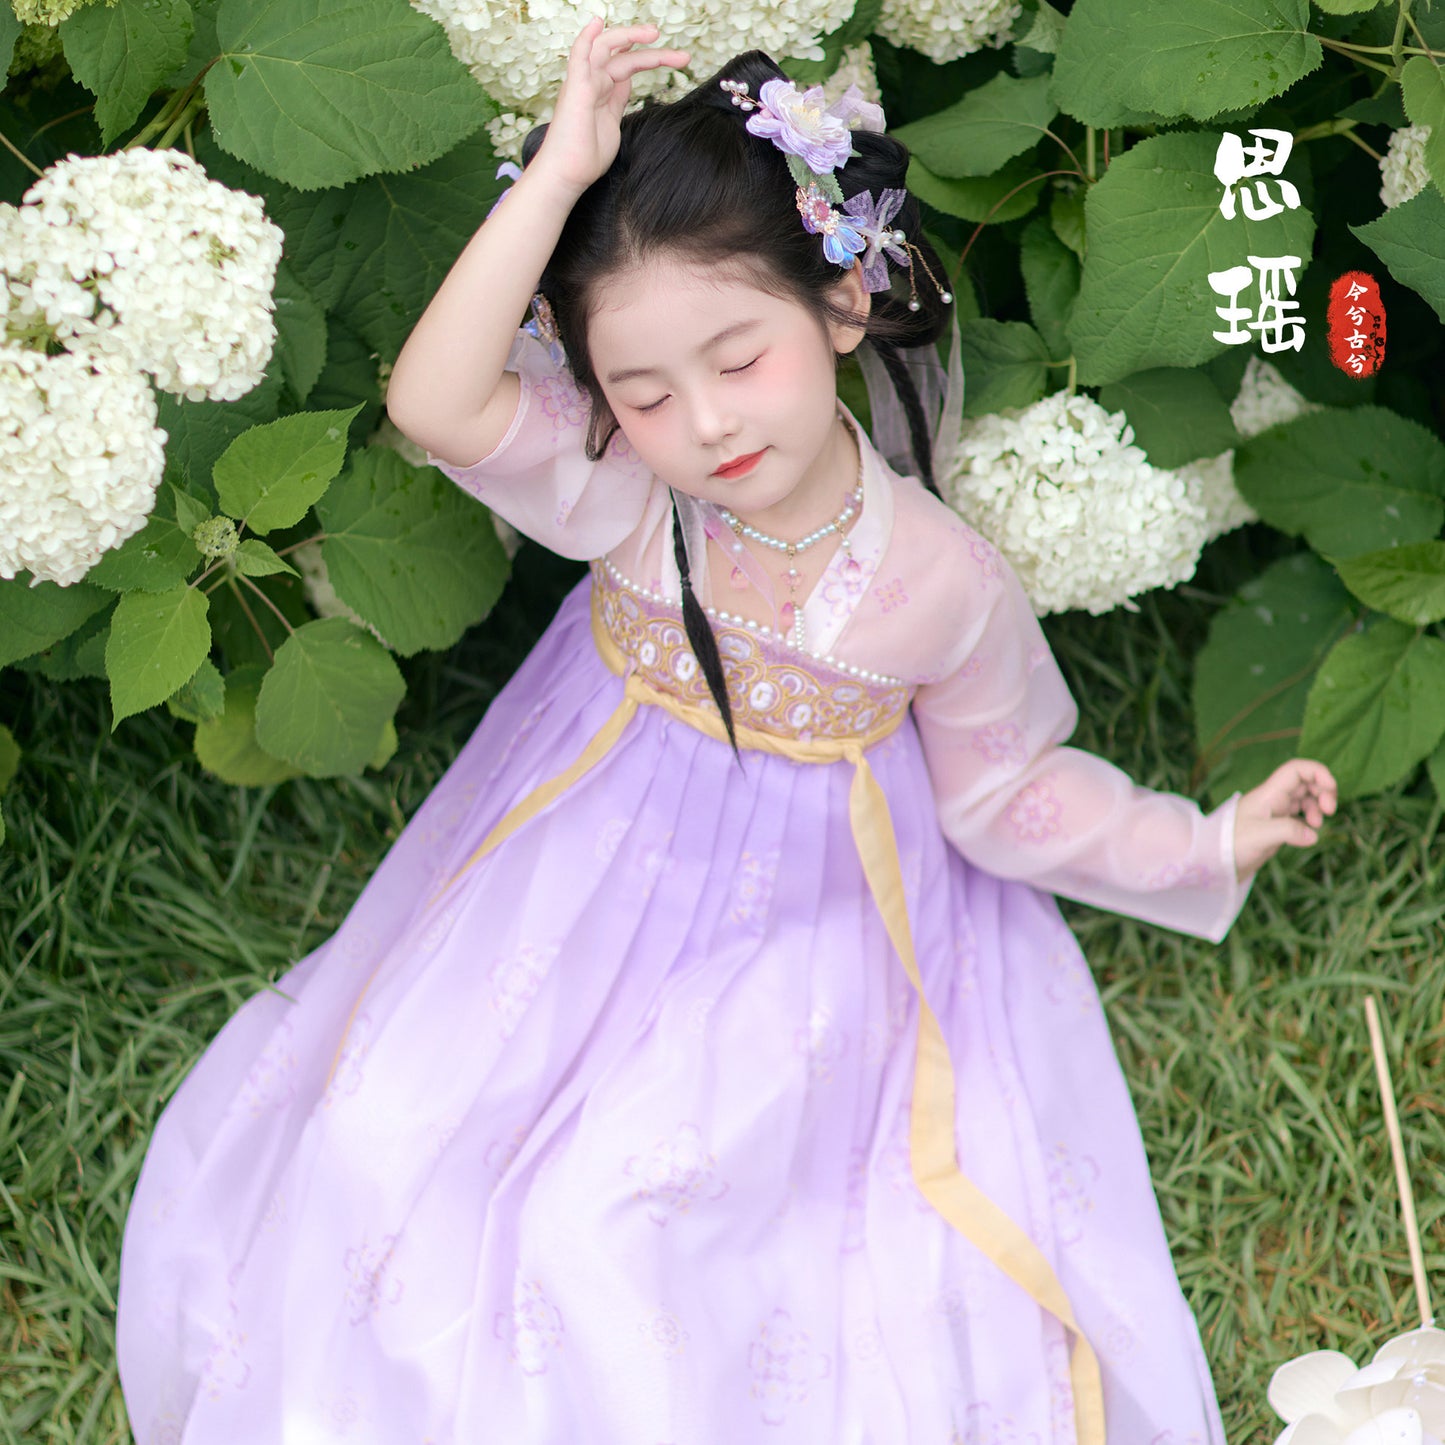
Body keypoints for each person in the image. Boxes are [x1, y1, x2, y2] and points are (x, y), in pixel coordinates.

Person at [116, 19, 1338, 1444]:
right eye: (641, 391)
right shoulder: (632, 499)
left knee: (626, 1214)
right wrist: (557, 173)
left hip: (800, 935)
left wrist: (1202, 837)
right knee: (390, 1133)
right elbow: (435, 401)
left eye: (736, 357)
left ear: (839, 304)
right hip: (570, 880)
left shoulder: (934, 584)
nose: (701, 421)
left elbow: (1004, 794)